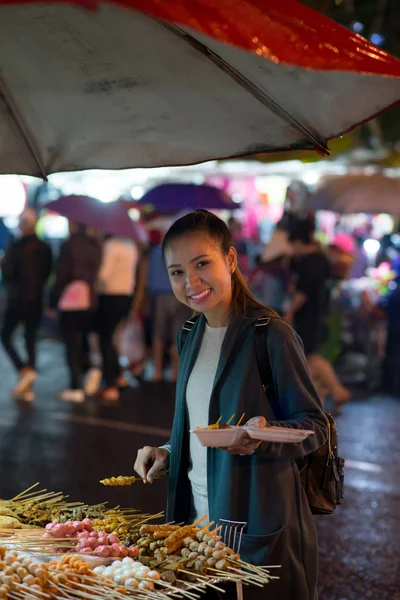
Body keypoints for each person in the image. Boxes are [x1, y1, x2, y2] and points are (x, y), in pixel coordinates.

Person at [134, 210, 327, 600]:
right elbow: (201, 424)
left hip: (253, 519)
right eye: (176, 272)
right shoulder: (189, 332)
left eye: (202, 263)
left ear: (232, 260)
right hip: (195, 522)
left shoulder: (271, 335)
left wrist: (258, 437)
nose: (191, 282)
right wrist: (168, 452)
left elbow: (315, 426)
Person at [286, 223, 351, 406]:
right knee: (307, 357)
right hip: (316, 314)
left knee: (309, 355)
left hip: (308, 316)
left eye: (292, 244)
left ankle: (337, 390)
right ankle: (320, 396)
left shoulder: (311, 262)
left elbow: (304, 291)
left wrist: (290, 311)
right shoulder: (318, 259)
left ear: (299, 242)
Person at [1, 208, 52, 401]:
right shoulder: (44, 247)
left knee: (6, 336)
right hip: (36, 300)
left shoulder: (15, 248)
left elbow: (8, 274)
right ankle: (28, 381)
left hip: (17, 300)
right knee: (30, 339)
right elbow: (48, 272)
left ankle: (24, 371)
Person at [50, 221, 102, 403]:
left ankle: (75, 386)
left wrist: (52, 300)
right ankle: (89, 369)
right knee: (81, 339)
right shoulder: (95, 245)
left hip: (71, 298)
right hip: (89, 297)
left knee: (71, 342)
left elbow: (61, 274)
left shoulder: (69, 245)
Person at [95, 235, 139, 401]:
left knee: (105, 339)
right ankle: (118, 376)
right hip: (126, 295)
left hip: (109, 296)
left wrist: (95, 285)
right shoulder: (131, 244)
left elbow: (104, 274)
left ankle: (110, 385)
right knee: (114, 338)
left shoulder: (111, 245)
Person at [146, 230, 191, 381]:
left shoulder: (154, 252)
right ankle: (175, 373)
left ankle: (157, 371)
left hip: (159, 296)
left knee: (159, 334)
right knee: (177, 335)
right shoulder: (181, 252)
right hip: (178, 295)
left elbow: (148, 275)